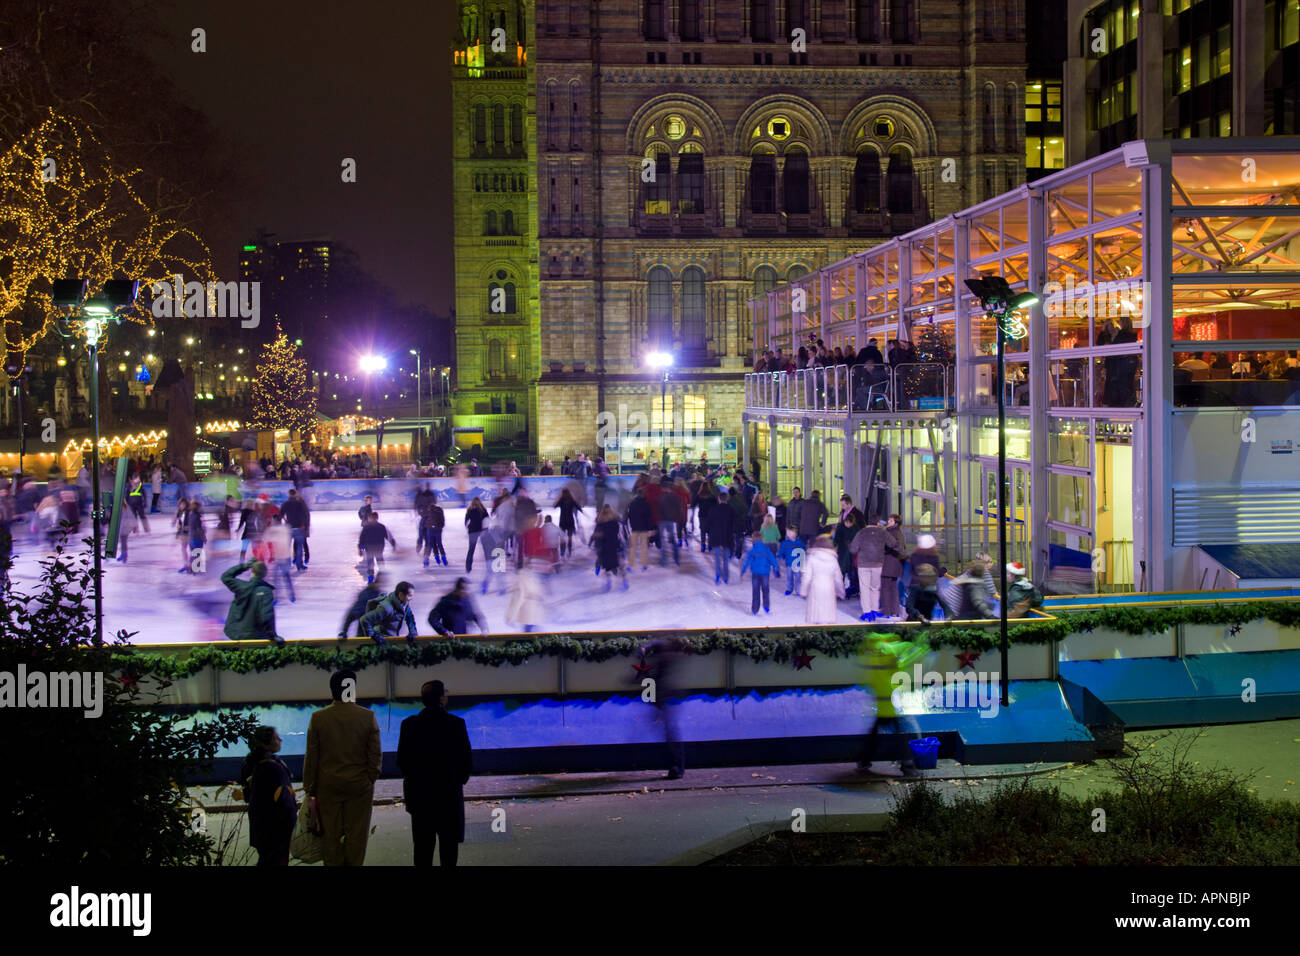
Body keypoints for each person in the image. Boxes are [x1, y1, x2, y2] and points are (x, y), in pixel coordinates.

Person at [303, 670, 382, 867]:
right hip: (359, 787)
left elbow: (312, 757)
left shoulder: (318, 718)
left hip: (328, 786)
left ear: (332, 690)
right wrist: (370, 778)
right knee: (356, 836)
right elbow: (375, 754)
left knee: (330, 837)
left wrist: (309, 788)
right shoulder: (367, 716)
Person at [398, 680, 473, 867]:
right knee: (449, 849)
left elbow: (402, 762)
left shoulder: (409, 725)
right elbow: (466, 761)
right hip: (448, 796)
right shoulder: (456, 724)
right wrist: (457, 781)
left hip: (420, 798)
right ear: (442, 699)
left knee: (422, 850)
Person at [857, 633, 927, 777]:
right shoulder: (888, 656)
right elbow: (904, 660)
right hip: (891, 706)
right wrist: (922, 647)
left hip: (885, 704)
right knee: (903, 734)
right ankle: (907, 766)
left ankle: (864, 761)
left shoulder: (878, 655)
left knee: (876, 735)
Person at [239, 726, 297, 866]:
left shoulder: (251, 762)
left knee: (266, 859)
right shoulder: (273, 766)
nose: (280, 739)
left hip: (261, 824)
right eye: (277, 737)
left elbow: (247, 795)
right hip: (277, 826)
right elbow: (284, 798)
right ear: (268, 742)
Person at [221, 561, 283, 644]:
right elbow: (266, 616)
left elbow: (226, 576)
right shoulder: (266, 591)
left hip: (236, 634)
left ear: (252, 572)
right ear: (265, 574)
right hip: (256, 636)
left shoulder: (241, 586)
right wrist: (273, 635)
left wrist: (244, 566)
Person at [800, 535, 844, 624]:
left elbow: (807, 577)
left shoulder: (812, 558)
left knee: (816, 616)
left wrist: (803, 591)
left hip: (815, 588)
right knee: (827, 615)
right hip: (829, 588)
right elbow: (838, 578)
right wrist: (841, 591)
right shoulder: (833, 559)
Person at [849, 518, 887, 621]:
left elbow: (853, 549)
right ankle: (875, 610)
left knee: (864, 588)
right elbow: (893, 544)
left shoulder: (861, 532)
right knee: (875, 588)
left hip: (864, 564)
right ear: (878, 523)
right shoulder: (882, 532)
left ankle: (867, 612)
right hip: (878, 564)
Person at [591, 504, 628, 591]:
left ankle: (608, 582)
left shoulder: (600, 523)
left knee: (606, 565)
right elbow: (622, 534)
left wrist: (594, 543)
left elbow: (595, 535)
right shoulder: (616, 522)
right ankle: (624, 580)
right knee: (620, 564)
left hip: (605, 547)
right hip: (615, 545)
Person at [740, 539, 781, 615]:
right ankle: (766, 606)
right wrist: (776, 568)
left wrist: (743, 570)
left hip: (755, 573)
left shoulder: (752, 551)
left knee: (756, 591)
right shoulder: (766, 550)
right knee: (765, 590)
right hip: (765, 573)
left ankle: (755, 609)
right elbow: (772, 559)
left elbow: (747, 561)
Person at [263, 514, 296, 603]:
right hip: (285, 556)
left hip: (276, 556)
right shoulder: (286, 529)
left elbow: (265, 539)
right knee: (286, 576)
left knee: (276, 578)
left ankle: (275, 598)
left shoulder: (271, 530)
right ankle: (292, 596)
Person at [706, 491, 737, 584]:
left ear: (718, 499)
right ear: (727, 499)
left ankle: (718, 575)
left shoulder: (713, 509)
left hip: (715, 537)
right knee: (725, 559)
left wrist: (709, 533)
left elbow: (708, 524)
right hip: (727, 537)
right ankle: (726, 577)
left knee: (716, 558)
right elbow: (734, 524)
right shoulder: (731, 510)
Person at [357, 511, 396, 583]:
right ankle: (381, 576)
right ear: (377, 518)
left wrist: (360, 549)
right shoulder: (381, 527)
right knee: (380, 562)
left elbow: (361, 539)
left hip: (370, 549)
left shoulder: (366, 528)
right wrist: (393, 545)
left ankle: (370, 578)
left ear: (370, 518)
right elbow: (389, 537)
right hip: (379, 549)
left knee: (370, 564)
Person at [880, 514, 905, 620]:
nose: (888, 522)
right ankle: (895, 610)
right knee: (893, 587)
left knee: (885, 587)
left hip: (888, 563)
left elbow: (895, 546)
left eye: (890, 520)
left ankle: (887, 611)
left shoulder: (890, 533)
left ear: (896, 523)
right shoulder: (898, 532)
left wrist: (885, 550)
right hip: (895, 564)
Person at [626, 484, 655, 571]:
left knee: (632, 547)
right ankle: (644, 564)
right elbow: (649, 517)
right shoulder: (646, 504)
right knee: (644, 547)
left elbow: (629, 515)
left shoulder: (632, 504)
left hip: (634, 528)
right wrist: (650, 528)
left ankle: (630, 565)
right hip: (644, 529)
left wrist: (631, 525)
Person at [656, 476, 684, 566]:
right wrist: (680, 519)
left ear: (665, 488)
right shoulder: (677, 497)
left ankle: (664, 561)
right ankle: (676, 559)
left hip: (663, 521)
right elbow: (679, 509)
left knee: (664, 541)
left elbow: (659, 509)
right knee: (673, 541)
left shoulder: (662, 498)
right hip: (673, 521)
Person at [281, 488, 310, 572]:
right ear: (295, 494)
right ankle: (299, 565)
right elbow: (305, 514)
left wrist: (286, 521)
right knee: (299, 547)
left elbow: (280, 515)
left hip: (289, 527)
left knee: (287, 547)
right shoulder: (299, 503)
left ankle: (287, 564)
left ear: (289, 494)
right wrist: (305, 525)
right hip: (299, 527)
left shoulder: (285, 503)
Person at [555, 487, 582, 559]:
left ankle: (562, 552)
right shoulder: (571, 500)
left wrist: (559, 500)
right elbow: (578, 507)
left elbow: (555, 506)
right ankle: (569, 551)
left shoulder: (561, 500)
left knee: (562, 538)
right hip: (570, 521)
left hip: (563, 522)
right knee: (570, 538)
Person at [420, 499, 447, 567]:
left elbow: (422, 517)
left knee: (430, 545)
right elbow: (442, 520)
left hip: (430, 530)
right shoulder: (439, 510)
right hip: (438, 529)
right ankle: (443, 558)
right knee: (439, 544)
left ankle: (427, 560)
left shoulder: (427, 511)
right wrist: (440, 526)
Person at [778, 527, 804, 596]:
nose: (788, 534)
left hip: (797, 564)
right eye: (787, 532)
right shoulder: (784, 543)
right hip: (789, 563)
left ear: (795, 533)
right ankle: (789, 589)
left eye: (790, 532)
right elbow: (781, 551)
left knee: (798, 577)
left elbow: (802, 551)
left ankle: (798, 590)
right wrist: (780, 556)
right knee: (789, 577)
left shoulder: (799, 543)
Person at [464, 497, 488, 572]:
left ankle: (468, 567)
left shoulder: (470, 510)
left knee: (471, 549)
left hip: (472, 531)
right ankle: (488, 566)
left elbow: (466, 521)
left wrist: (468, 527)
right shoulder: (483, 510)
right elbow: (487, 520)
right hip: (481, 530)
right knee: (486, 549)